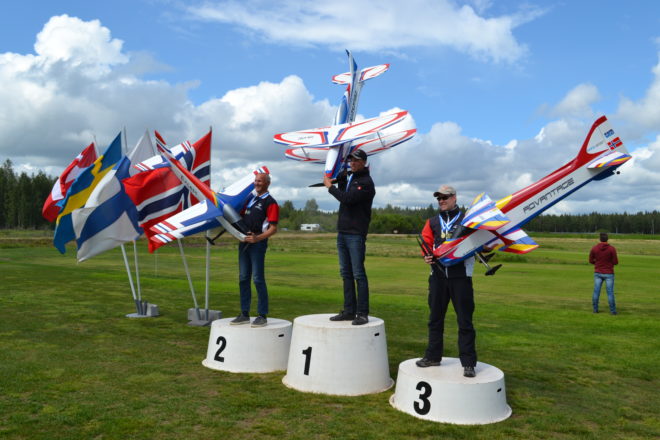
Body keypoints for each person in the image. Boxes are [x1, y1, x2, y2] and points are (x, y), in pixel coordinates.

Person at [416, 184, 478, 378]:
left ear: (454, 198)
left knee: (465, 321)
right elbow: (426, 243)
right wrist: (426, 255)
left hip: (461, 277)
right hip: (437, 277)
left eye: (445, 197)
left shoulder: (468, 220)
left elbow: (481, 243)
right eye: (439, 198)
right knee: (435, 319)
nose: (441, 201)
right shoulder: (432, 222)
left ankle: (468, 363)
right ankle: (433, 357)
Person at [323, 149, 376, 326]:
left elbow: (348, 199)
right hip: (343, 232)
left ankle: (362, 313)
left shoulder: (366, 182)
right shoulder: (352, 178)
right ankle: (349, 311)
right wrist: (341, 180)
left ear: (364, 162)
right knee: (346, 273)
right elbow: (344, 194)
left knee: (358, 274)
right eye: (351, 160)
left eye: (356, 160)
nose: (352, 163)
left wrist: (330, 187)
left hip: (356, 233)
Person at [230, 172, 279, 327]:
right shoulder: (250, 199)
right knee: (243, 278)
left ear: (267, 183)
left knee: (257, 279)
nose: (257, 183)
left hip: (258, 244)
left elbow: (273, 229)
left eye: (260, 181)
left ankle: (262, 315)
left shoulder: (270, 202)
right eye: (256, 181)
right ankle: (244, 314)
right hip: (244, 242)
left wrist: (257, 238)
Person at [589, 232, 618, 315]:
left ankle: (595, 309)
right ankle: (613, 311)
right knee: (610, 293)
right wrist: (609, 263)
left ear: (600, 239)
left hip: (598, 272)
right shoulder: (612, 249)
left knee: (596, 292)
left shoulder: (594, 248)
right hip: (609, 273)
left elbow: (590, 260)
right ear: (607, 239)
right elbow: (615, 262)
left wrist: (597, 263)